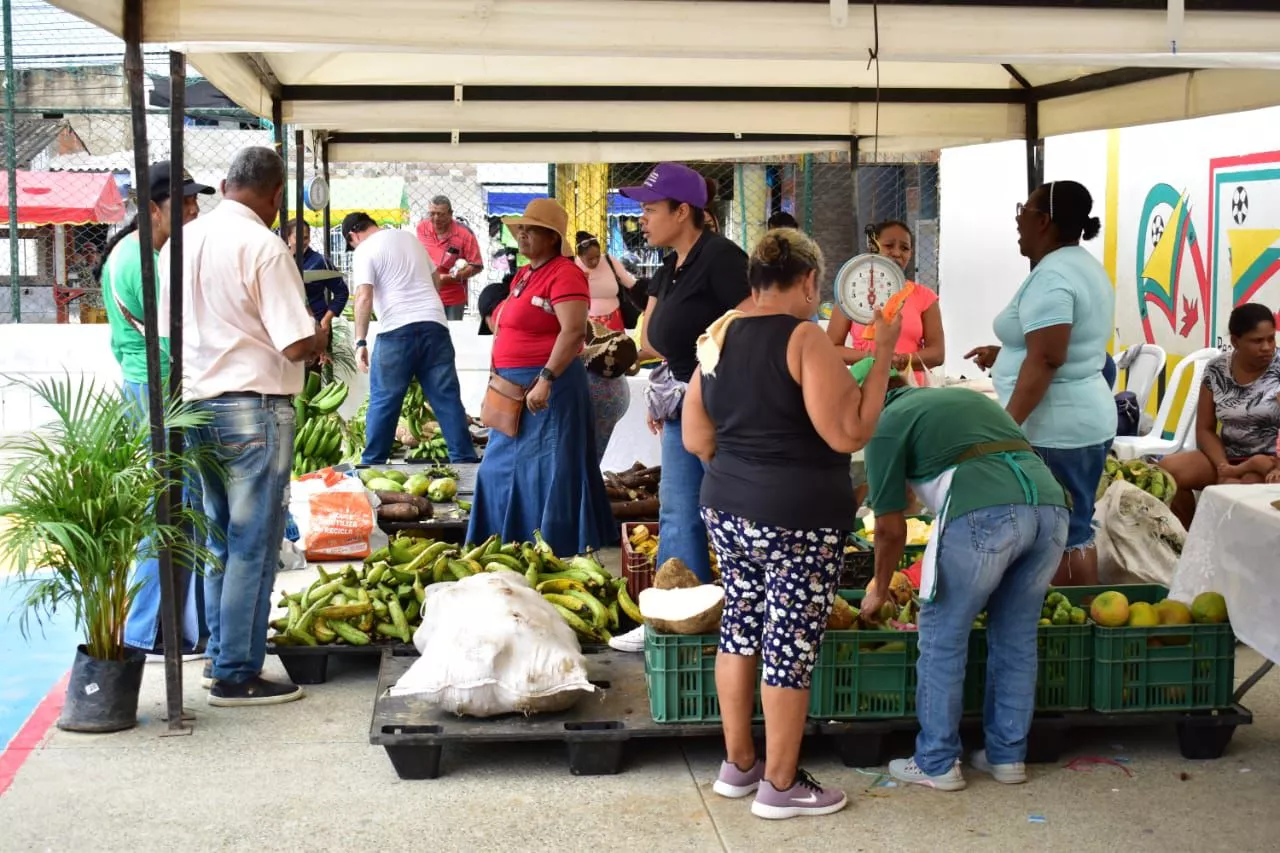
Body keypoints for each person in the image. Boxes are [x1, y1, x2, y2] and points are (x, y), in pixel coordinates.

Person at [682, 228, 899, 819]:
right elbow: (849, 432)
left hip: (727, 510)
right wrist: (882, 353)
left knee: (741, 629)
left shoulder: (718, 337)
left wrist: (744, 466)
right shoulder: (803, 337)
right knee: (789, 644)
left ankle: (739, 764)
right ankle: (780, 785)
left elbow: (695, 436)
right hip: (798, 520)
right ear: (807, 282)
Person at [159, 146, 327, 706]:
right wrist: (321, 337)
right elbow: (296, 342)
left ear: (226, 184)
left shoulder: (181, 240)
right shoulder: (264, 245)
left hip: (196, 405)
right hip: (252, 409)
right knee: (252, 546)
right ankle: (236, 673)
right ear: (277, 195)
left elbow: (166, 327)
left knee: (218, 540)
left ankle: (218, 657)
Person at [858, 370, 1069, 791]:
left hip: (982, 512)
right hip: (1051, 508)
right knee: (1016, 637)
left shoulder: (882, 425)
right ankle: (1008, 757)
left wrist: (879, 588)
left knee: (942, 636)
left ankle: (936, 761)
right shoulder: (958, 402)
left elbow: (889, 528)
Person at [965, 180, 1116, 587]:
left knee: (1061, 535)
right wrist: (1007, 353)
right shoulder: (1077, 265)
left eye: (1024, 210)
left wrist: (1006, 428)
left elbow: (1049, 356)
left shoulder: (1053, 277)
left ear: (1044, 220)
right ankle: (1078, 631)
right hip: (1078, 421)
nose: (1018, 219)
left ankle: (1068, 633)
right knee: (1074, 528)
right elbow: (1062, 345)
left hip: (1056, 430)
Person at [101, 160, 213, 657]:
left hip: (155, 389)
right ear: (151, 209)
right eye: (183, 202)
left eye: (195, 201)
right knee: (165, 512)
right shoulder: (142, 261)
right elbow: (178, 333)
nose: (193, 209)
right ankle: (149, 631)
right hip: (157, 394)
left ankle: (171, 628)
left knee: (179, 510)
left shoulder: (145, 251)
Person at [622, 162, 752, 583]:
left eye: (651, 208)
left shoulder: (721, 257)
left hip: (719, 409)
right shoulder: (673, 265)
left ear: (682, 212)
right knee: (678, 509)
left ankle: (739, 608)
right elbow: (665, 339)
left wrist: (698, 377)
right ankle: (677, 609)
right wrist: (663, 386)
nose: (642, 218)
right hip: (681, 403)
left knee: (728, 509)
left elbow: (751, 319)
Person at [466, 198, 615, 555]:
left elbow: (573, 331)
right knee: (501, 469)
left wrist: (547, 378)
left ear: (551, 237)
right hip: (513, 387)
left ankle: (550, 547)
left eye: (530, 229)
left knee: (546, 471)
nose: (522, 235)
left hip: (548, 388)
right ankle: (507, 542)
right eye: (520, 229)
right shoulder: (525, 273)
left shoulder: (565, 273)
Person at [343, 211, 479, 465]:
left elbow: (363, 297)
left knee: (385, 400)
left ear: (353, 235)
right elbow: (436, 279)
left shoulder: (364, 250)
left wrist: (360, 341)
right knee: (446, 397)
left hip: (396, 332)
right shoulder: (409, 239)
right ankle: (465, 461)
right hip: (435, 326)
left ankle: (373, 464)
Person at [1159, 303, 1280, 526]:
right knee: (1167, 471)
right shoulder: (1216, 369)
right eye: (1257, 341)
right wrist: (1223, 467)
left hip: (1270, 464)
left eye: (1271, 339)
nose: (1267, 347)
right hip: (1226, 454)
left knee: (1237, 492)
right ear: (1235, 341)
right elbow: (1205, 428)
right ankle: (1189, 539)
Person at [826, 220, 945, 382]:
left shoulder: (925, 296)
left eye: (905, 248)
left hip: (911, 389)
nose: (897, 253)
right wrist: (873, 357)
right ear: (874, 248)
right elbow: (830, 349)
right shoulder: (850, 293)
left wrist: (901, 360)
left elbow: (937, 354)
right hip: (865, 386)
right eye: (889, 246)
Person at [415, 195, 483, 320]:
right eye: (432, 214)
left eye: (441, 214)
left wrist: (453, 277)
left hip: (453, 298)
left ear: (450, 214)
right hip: (425, 296)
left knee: (453, 334)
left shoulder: (465, 234)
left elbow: (477, 265)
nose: (436, 218)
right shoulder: (421, 228)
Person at [285, 218, 348, 327]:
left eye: (305, 238)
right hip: (286, 323)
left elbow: (342, 292)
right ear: (288, 237)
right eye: (297, 238)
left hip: (315, 323)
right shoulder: (279, 260)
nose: (302, 242)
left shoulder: (320, 261)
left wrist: (326, 320)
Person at [575, 230, 641, 331]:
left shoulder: (609, 260)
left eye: (597, 256)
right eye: (590, 259)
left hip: (613, 319)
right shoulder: (573, 266)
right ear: (579, 256)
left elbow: (630, 283)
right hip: (586, 324)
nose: (595, 261)